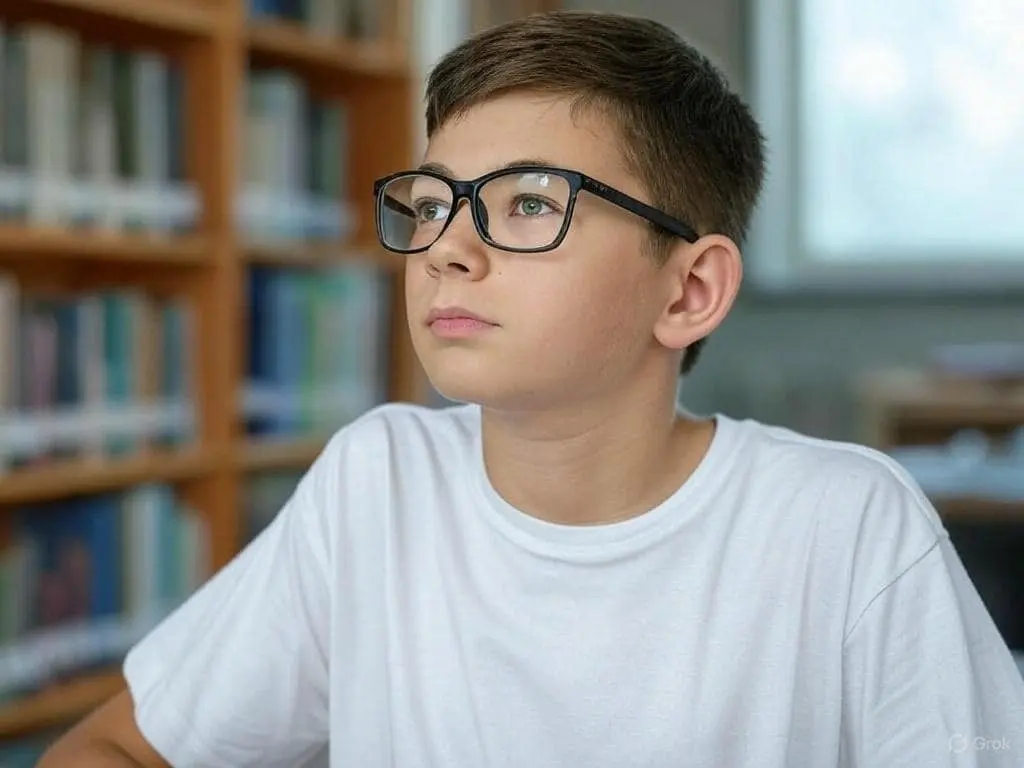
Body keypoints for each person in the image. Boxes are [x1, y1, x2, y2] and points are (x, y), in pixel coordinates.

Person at [40, 10, 1024, 767]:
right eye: (430, 204)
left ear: (688, 290)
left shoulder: (843, 525)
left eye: (526, 204)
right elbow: (115, 747)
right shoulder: (378, 483)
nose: (445, 251)